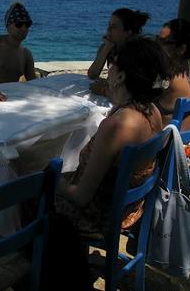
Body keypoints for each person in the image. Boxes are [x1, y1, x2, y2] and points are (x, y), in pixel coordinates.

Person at [56, 36, 170, 236]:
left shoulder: (117, 125)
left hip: (99, 216)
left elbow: (81, 197)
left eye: (112, 65)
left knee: (28, 193)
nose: (109, 70)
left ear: (121, 77)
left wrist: (50, 179)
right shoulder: (153, 112)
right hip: (130, 207)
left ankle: (50, 260)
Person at [155, 18, 190, 130]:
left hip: (165, 143)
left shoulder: (170, 78)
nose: (157, 45)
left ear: (181, 48)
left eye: (163, 42)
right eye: (157, 40)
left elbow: (141, 102)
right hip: (185, 141)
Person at [88, 8, 150, 81]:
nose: (108, 29)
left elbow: (134, 84)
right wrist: (106, 48)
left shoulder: (138, 51)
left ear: (128, 31)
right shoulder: (111, 46)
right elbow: (92, 75)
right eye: (109, 24)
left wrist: (105, 90)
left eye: (114, 27)